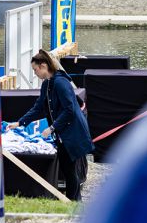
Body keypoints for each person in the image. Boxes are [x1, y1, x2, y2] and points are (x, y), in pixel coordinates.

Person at [7, 49, 93, 201]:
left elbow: (70, 110)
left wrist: (52, 128)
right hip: (62, 132)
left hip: (72, 133)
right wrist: (20, 122)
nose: (35, 73)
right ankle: (73, 201)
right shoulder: (47, 84)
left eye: (35, 70)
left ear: (43, 66)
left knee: (70, 170)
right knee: (66, 169)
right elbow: (38, 107)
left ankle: (74, 201)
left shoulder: (60, 83)